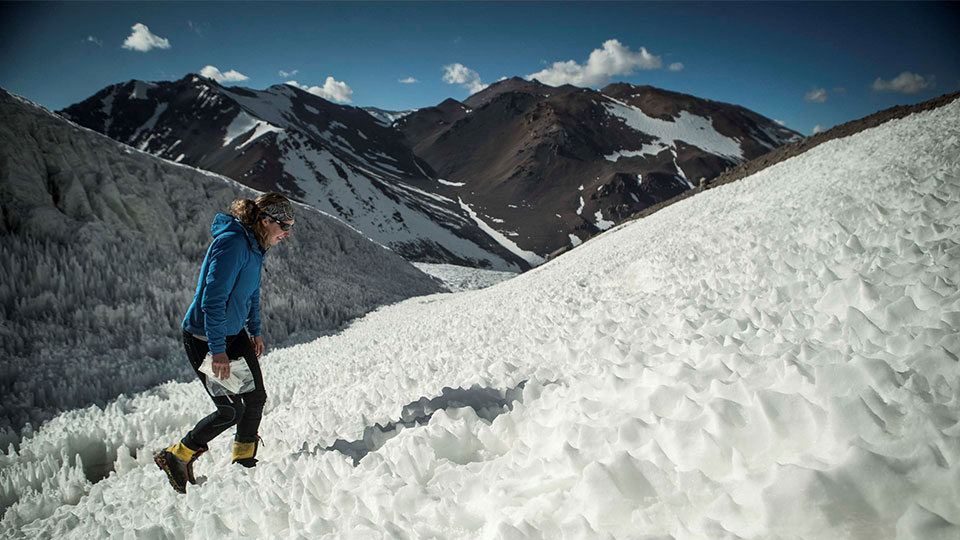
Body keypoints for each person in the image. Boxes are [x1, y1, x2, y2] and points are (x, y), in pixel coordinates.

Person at [154, 192, 294, 493]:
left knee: (255, 398)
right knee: (230, 410)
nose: (287, 232)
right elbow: (212, 300)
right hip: (205, 338)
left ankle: (244, 464)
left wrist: (254, 330)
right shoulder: (232, 244)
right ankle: (176, 455)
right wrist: (217, 351)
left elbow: (250, 293)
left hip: (233, 335)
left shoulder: (256, 247)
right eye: (284, 225)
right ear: (265, 220)